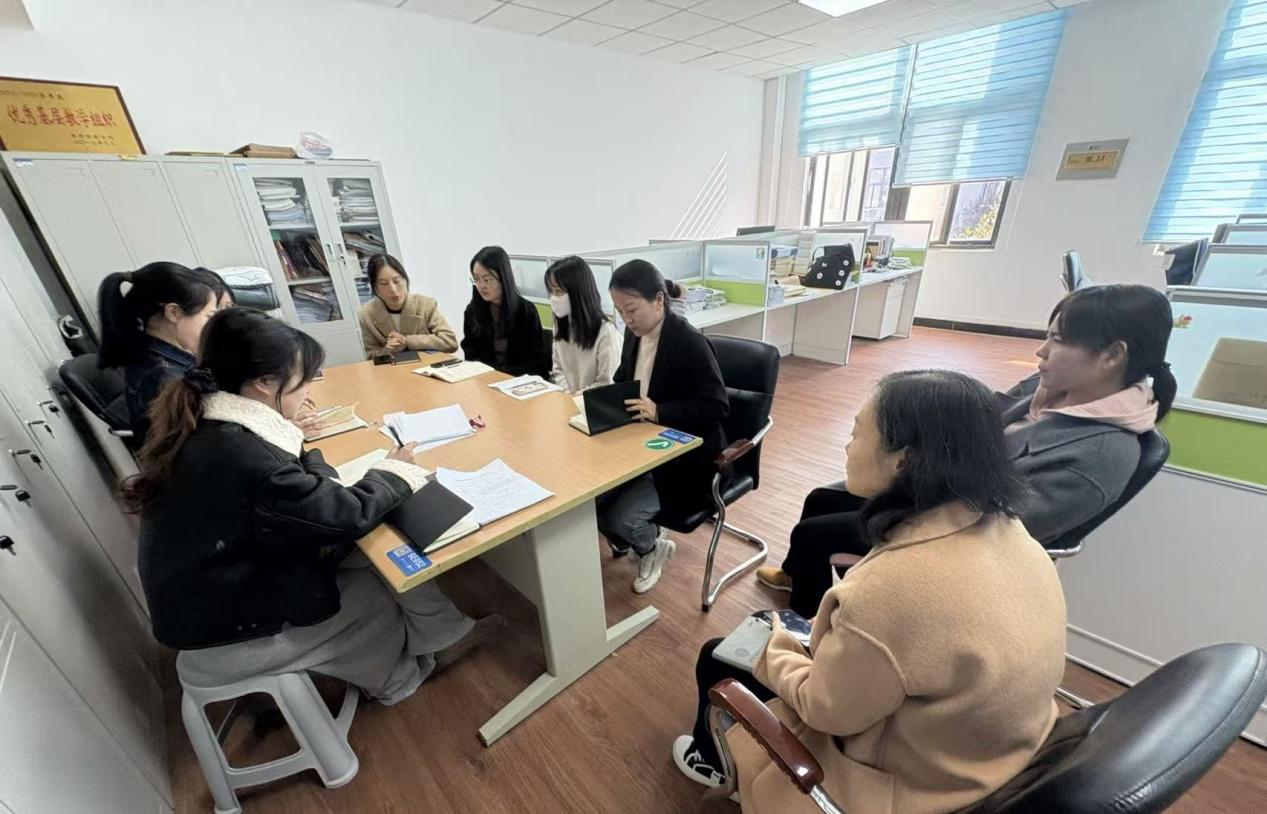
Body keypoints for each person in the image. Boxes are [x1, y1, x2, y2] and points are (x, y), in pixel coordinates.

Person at [674, 370, 1067, 814]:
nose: (848, 445)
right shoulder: (1011, 529)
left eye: (857, 432)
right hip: (1001, 753)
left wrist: (775, 646)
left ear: (903, 461)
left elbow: (826, 710)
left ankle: (712, 763)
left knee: (719, 654)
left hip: (922, 787)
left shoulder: (891, 590)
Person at [127, 308, 501, 704]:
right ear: (262, 383)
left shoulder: (213, 423)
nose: (308, 391)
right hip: (232, 631)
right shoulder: (243, 453)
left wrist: (294, 435)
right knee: (373, 581)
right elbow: (348, 514)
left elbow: (302, 489)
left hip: (214, 601)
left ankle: (443, 634)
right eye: (302, 380)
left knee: (374, 550)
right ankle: (397, 682)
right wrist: (394, 470)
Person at [759, 284, 1176, 618]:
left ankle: (808, 627)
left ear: (1112, 356)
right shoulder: (1051, 388)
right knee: (820, 498)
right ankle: (799, 576)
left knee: (815, 534)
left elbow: (998, 528)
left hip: (956, 533)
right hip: (941, 490)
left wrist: (912, 480)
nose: (1041, 351)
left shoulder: (1101, 455)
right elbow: (980, 416)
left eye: (1058, 340)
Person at [596, 260, 729, 593]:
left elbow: (716, 408)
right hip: (642, 446)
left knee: (619, 519)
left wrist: (660, 411)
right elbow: (625, 380)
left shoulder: (689, 343)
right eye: (619, 311)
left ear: (658, 300)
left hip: (685, 460)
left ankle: (652, 548)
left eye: (631, 310)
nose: (626, 320)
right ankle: (640, 537)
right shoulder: (635, 334)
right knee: (591, 503)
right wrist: (603, 404)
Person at [98, 262, 218, 443]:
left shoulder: (152, 354)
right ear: (174, 312)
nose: (212, 326)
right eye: (209, 316)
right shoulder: (167, 378)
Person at [460, 246, 549, 377]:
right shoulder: (472, 311)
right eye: (476, 279)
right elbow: (471, 355)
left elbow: (536, 363)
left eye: (487, 279)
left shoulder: (526, 312)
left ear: (503, 277)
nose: (481, 285)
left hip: (519, 381)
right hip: (484, 380)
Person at [544, 255, 621, 393]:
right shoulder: (560, 326)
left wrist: (577, 397)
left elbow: (606, 382)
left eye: (559, 291)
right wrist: (568, 394)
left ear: (578, 292)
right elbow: (558, 370)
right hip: (568, 399)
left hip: (594, 401)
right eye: (551, 291)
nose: (553, 297)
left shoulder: (605, 331)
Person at [358, 253, 458, 358]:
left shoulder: (425, 304)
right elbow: (370, 356)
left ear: (405, 280)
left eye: (396, 281)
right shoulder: (366, 314)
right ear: (374, 287)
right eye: (384, 283)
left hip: (427, 365)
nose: (393, 289)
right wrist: (388, 350)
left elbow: (450, 342)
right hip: (392, 367)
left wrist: (408, 341)